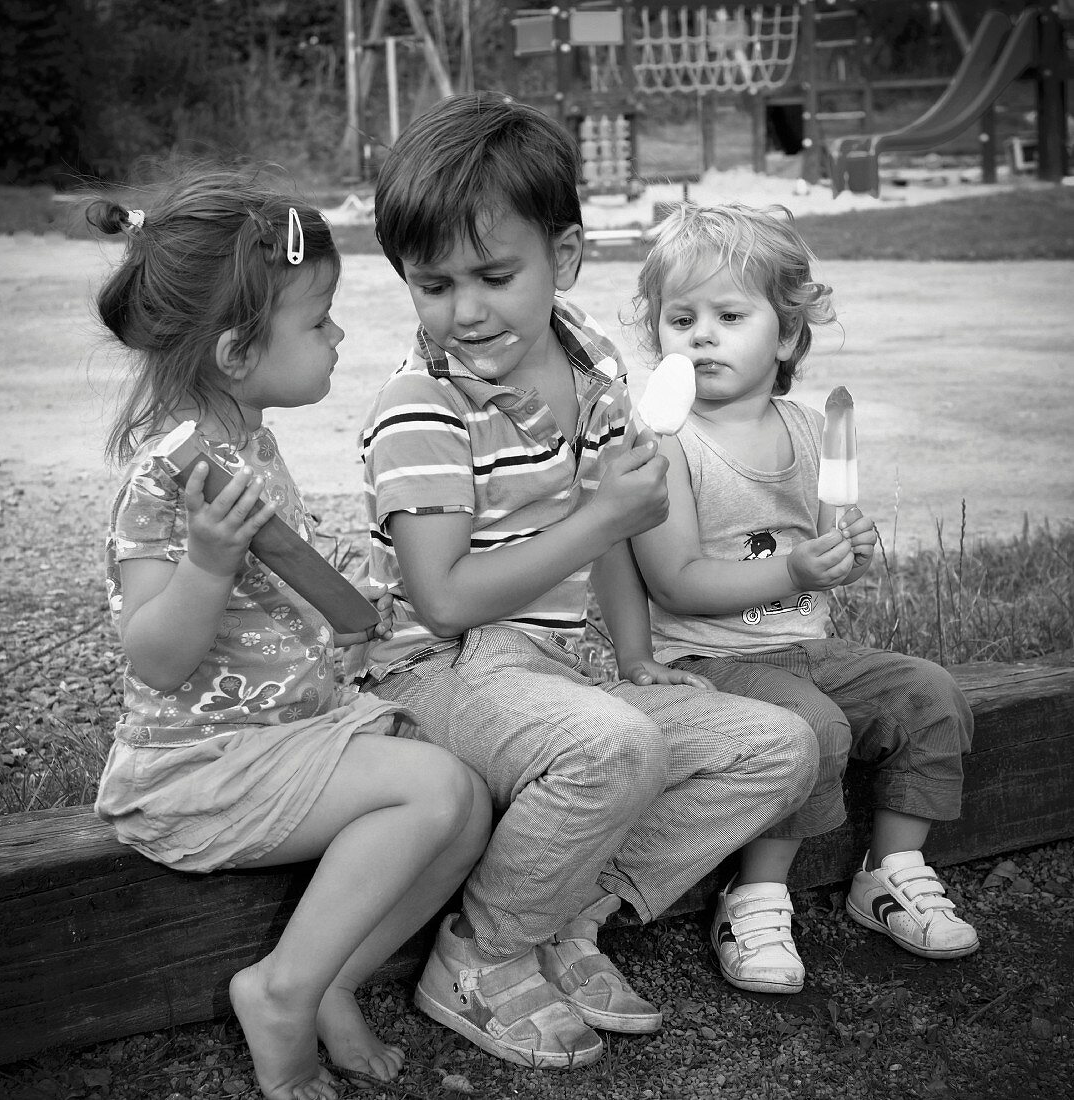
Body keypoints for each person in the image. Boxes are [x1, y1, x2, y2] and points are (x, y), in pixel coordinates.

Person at [351, 92, 820, 1070]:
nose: (464, 310)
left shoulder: (591, 365)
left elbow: (609, 527)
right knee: (612, 744)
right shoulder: (422, 406)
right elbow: (441, 599)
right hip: (439, 668)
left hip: (549, 664)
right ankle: (477, 953)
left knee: (776, 745)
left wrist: (637, 656)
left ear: (562, 260)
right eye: (432, 284)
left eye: (493, 275)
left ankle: (563, 915)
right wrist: (598, 516)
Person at [88, 168, 492, 1100]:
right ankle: (278, 991)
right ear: (235, 351)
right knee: (430, 789)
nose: (340, 335)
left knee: (466, 804)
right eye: (319, 321)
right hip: (197, 764)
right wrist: (207, 565)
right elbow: (156, 654)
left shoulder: (247, 442)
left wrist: (336, 611)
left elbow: (269, 601)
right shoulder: (172, 479)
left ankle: (331, 982)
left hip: (286, 731)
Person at [628, 201, 979, 999]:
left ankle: (891, 870)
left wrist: (847, 552)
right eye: (680, 318)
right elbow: (675, 579)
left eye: (728, 314)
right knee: (807, 728)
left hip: (810, 646)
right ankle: (753, 897)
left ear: (785, 336)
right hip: (709, 660)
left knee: (930, 695)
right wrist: (795, 573)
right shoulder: (668, 446)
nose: (701, 335)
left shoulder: (810, 428)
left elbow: (828, 546)